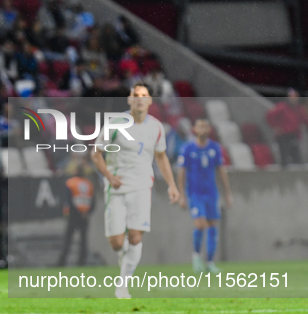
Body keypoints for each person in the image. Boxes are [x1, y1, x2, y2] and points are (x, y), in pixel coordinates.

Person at [91, 82, 179, 299]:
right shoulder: (115, 124)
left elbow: (161, 156)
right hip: (117, 188)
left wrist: (172, 185)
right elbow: (96, 153)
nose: (139, 99)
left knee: (136, 237)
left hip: (142, 186)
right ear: (129, 100)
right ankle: (124, 258)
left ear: (149, 100)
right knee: (117, 242)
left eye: (144, 95)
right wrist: (110, 177)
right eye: (135, 95)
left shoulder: (156, 127)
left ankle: (123, 285)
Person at [177, 118, 233, 274]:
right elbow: (181, 172)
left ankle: (210, 262)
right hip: (195, 193)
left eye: (205, 126)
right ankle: (196, 257)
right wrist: (182, 195)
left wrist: (227, 193)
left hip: (211, 193)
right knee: (200, 224)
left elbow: (221, 171)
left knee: (213, 226)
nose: (202, 129)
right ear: (194, 129)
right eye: (200, 126)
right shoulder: (188, 148)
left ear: (209, 130)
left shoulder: (215, 148)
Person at [57, 163, 95, 266]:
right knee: (83, 240)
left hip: (74, 215)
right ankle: (81, 262)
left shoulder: (71, 183)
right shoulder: (89, 184)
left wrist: (69, 213)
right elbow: (92, 201)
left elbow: (68, 200)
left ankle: (62, 262)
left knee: (68, 240)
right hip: (85, 216)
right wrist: (86, 213)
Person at [265, 88, 308, 166]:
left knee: (297, 158)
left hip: (294, 135)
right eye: (292, 97)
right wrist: (275, 126)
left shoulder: (299, 109)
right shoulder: (282, 107)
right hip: (283, 136)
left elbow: (305, 120)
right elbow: (269, 116)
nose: (294, 99)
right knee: (284, 158)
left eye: (296, 98)